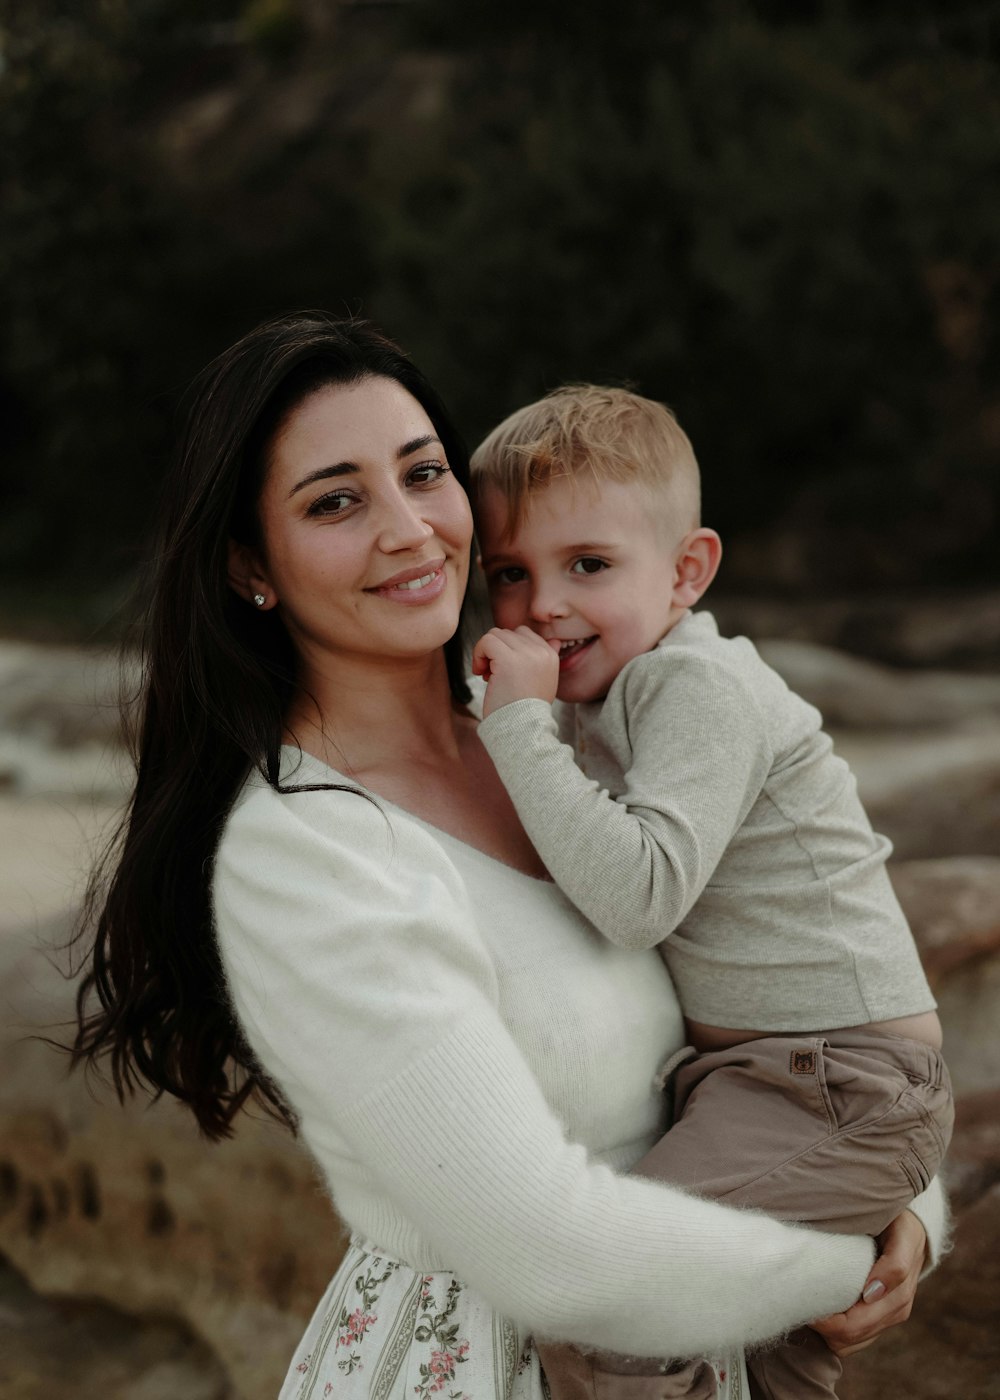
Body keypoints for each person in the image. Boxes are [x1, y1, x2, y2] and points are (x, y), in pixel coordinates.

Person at [71, 316, 946, 1400]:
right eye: (336, 500)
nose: (409, 530)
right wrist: (835, 1259)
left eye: (423, 473)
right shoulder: (303, 850)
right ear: (252, 565)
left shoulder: (565, 742)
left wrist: (905, 1210)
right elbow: (544, 1246)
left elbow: (807, 1025)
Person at [468, 384, 953, 1400]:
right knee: (770, 1355)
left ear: (686, 571)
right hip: (771, 1087)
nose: (543, 603)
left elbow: (641, 894)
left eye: (587, 564)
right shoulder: (607, 693)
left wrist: (515, 725)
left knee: (607, 1297)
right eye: (510, 574)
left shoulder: (696, 688)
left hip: (838, 1085)